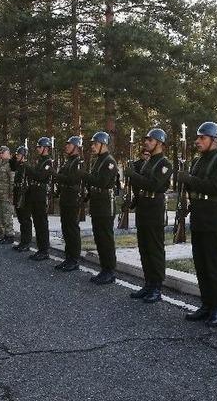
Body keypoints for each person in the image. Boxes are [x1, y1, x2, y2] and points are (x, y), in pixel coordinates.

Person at [176, 121, 217, 327]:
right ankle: (206, 304)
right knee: (201, 264)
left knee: (213, 265)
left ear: (213, 140)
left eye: (202, 138)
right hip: (198, 217)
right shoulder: (198, 161)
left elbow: (215, 187)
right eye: (198, 138)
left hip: (213, 219)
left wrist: (189, 179)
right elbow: (195, 190)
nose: (198, 141)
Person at [126, 128, 172, 303]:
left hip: (154, 207)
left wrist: (133, 176)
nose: (146, 142)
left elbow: (153, 185)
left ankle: (157, 287)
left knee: (154, 247)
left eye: (150, 140)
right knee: (144, 247)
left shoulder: (165, 163)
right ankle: (148, 283)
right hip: (144, 206)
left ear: (159, 143)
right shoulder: (148, 162)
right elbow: (141, 187)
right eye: (146, 140)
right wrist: (133, 201)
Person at [84, 131, 119, 284]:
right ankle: (104, 269)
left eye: (95, 144)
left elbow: (102, 182)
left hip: (105, 204)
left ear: (103, 145)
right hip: (98, 203)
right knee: (99, 238)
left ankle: (110, 271)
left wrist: (84, 176)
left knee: (106, 238)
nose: (92, 146)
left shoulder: (109, 161)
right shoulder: (98, 160)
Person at [53, 136, 84, 272]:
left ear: (76, 146)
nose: (66, 146)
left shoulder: (78, 162)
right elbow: (62, 178)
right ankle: (68, 257)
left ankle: (75, 259)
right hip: (65, 197)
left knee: (72, 229)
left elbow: (72, 180)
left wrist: (55, 175)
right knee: (65, 228)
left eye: (69, 144)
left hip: (72, 198)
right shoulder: (68, 161)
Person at [20, 137, 53, 261]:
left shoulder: (48, 162)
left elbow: (40, 177)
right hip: (35, 194)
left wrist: (28, 168)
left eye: (40, 147)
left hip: (41, 195)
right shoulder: (40, 161)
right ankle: (40, 249)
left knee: (42, 223)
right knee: (37, 223)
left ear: (45, 148)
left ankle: (44, 250)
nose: (38, 149)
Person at [10, 146, 33, 251]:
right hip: (18, 194)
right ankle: (22, 242)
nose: (17, 156)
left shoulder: (27, 167)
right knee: (21, 220)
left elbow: (29, 184)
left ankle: (26, 243)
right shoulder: (18, 166)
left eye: (19, 154)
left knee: (25, 220)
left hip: (25, 197)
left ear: (24, 156)